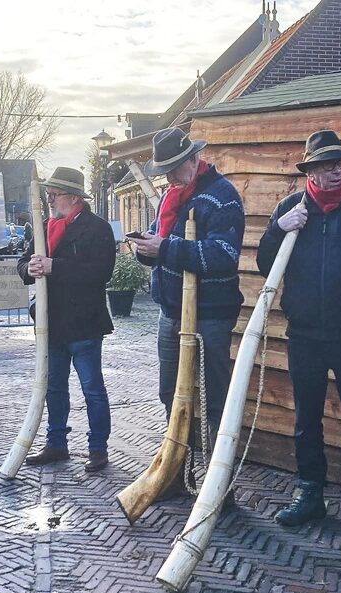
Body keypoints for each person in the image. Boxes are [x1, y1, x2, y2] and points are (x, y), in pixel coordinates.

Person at [257, 130, 341, 540]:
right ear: (309, 170)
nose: (332, 172)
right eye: (323, 165)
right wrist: (279, 228)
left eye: (338, 165)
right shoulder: (291, 208)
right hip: (306, 335)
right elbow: (265, 264)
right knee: (306, 419)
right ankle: (310, 493)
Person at [129, 127, 244, 498]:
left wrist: (164, 249)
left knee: (213, 398)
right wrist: (144, 249)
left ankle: (216, 484)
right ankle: (174, 474)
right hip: (171, 313)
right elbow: (159, 243)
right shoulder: (169, 198)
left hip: (210, 315)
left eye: (177, 167)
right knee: (171, 394)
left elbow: (223, 257)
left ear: (195, 159)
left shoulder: (223, 197)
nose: (172, 176)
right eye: (167, 170)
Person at [18, 167, 116, 472]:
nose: (49, 199)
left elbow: (100, 273)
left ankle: (97, 448)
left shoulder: (98, 229)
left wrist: (53, 266)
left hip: (84, 323)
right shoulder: (44, 226)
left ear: (73, 198)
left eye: (54, 194)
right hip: (52, 324)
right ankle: (56, 443)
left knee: (92, 388)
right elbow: (23, 262)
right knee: (54, 387)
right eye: (48, 194)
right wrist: (29, 270)